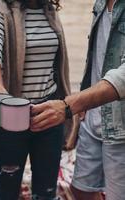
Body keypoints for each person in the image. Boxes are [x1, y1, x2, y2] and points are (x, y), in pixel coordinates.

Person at [0, 0, 77, 199]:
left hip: (49, 114)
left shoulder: (49, 11)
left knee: (47, 191)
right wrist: (0, 92)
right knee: (8, 190)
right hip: (12, 117)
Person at [31, 0, 125, 200]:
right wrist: (84, 98)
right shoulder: (101, 2)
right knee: (82, 189)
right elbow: (97, 53)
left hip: (121, 126)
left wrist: (69, 105)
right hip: (93, 116)